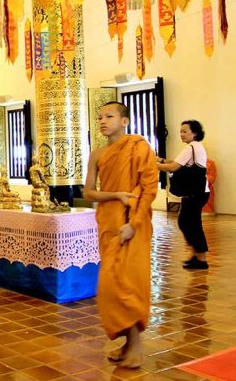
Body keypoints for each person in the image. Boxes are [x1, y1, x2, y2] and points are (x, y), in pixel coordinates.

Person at [84, 101, 158, 369]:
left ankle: (136, 346)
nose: (103, 121)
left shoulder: (139, 147)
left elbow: (149, 189)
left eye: (109, 116)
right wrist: (115, 194)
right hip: (108, 221)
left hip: (133, 224)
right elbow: (89, 192)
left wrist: (134, 224)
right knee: (110, 285)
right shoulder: (98, 154)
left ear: (124, 121)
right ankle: (128, 342)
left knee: (127, 284)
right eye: (100, 116)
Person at [157, 120, 210, 269]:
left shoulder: (191, 147)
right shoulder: (195, 147)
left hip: (195, 193)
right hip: (197, 193)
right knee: (188, 223)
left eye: (185, 131)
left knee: (190, 224)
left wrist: (153, 165)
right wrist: (160, 160)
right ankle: (196, 255)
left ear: (195, 133)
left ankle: (201, 259)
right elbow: (176, 162)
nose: (181, 134)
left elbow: (173, 167)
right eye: (181, 131)